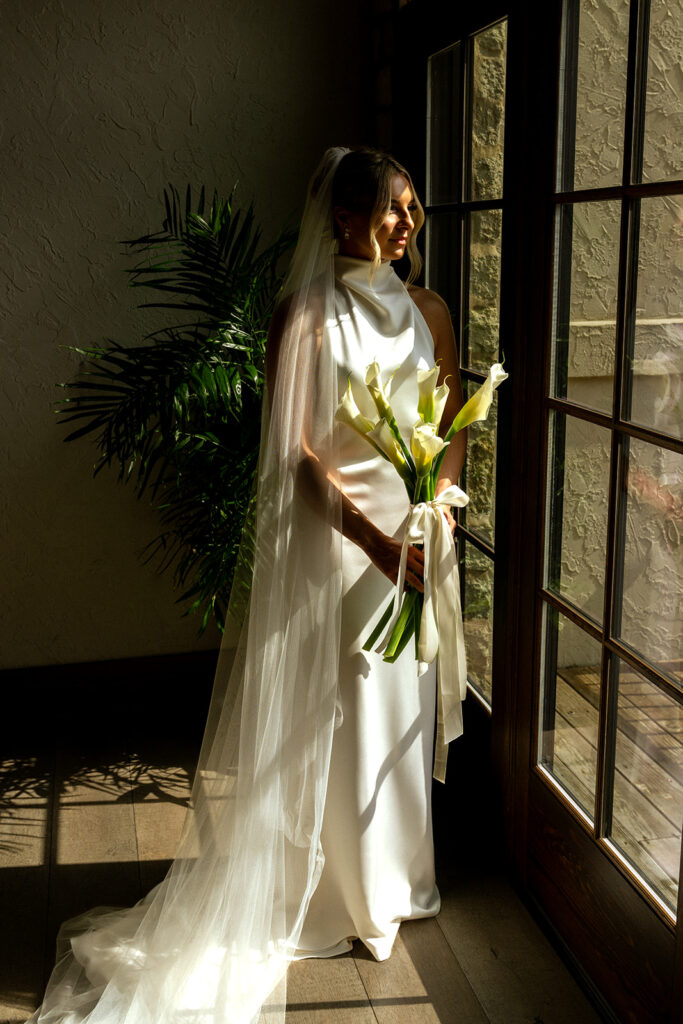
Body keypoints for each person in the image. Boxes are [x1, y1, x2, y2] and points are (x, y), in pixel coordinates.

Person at [27, 145, 467, 1024]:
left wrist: (437, 502)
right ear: (340, 219)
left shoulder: (430, 307)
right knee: (341, 712)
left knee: (400, 709)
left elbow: (452, 415)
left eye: (413, 206)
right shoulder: (301, 315)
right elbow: (298, 456)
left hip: (420, 537)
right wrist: (376, 541)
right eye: (390, 208)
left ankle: (396, 881)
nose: (408, 222)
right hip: (344, 544)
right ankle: (336, 898)